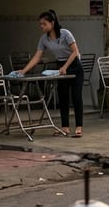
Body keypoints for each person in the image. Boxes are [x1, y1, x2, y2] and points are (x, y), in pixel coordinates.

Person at [16, 10, 84, 138]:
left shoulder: (65, 34)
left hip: (74, 65)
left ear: (52, 23)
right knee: (62, 96)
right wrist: (24, 70)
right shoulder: (44, 39)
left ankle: (79, 127)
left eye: (44, 24)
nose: (42, 26)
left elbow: (75, 51)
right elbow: (37, 56)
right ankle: (65, 127)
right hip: (60, 65)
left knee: (76, 97)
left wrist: (65, 67)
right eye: (40, 24)